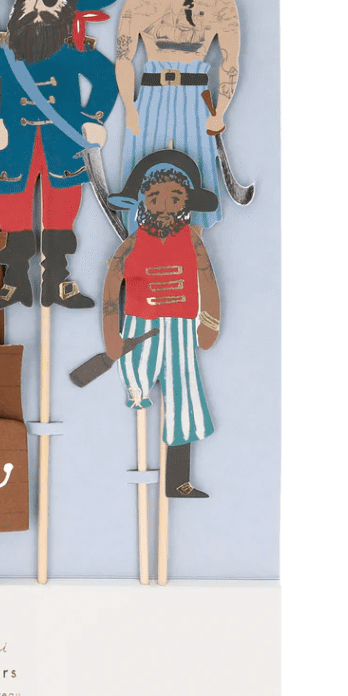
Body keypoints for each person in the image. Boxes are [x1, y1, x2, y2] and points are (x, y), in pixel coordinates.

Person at [0, 0, 119, 311]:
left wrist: (93, 119)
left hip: (62, 144)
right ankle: (15, 281)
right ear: (20, 3)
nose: (37, 7)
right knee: (11, 210)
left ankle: (56, 282)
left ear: (65, 10)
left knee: (62, 209)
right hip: (14, 144)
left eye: (49, 2)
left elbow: (107, 79)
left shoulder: (74, 48)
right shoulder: (5, 51)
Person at [102, 150, 221, 497]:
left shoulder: (193, 239)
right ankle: (142, 474)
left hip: (182, 329)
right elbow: (111, 288)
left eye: (174, 198)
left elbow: (207, 281)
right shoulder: (131, 245)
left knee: (184, 400)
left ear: (186, 202)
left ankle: (177, 481)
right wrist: (112, 337)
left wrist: (209, 323)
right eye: (154, 198)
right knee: (136, 383)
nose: (164, 206)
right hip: (139, 327)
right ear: (143, 203)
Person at [115, 0, 242, 230]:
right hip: (151, 92)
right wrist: (130, 105)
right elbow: (124, 57)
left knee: (199, 170)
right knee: (141, 165)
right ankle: (138, 242)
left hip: (196, 95)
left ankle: (193, 244)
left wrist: (220, 111)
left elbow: (230, 60)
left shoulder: (220, 0)